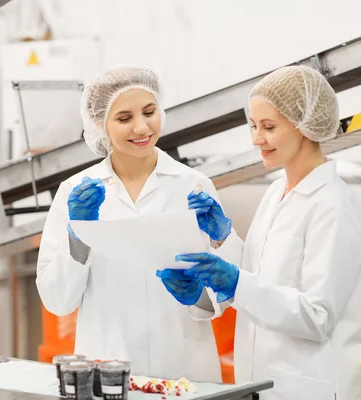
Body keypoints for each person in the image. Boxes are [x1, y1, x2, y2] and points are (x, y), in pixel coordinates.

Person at [160, 66, 361, 399]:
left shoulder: (334, 206)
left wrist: (233, 281)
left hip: (308, 388)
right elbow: (259, 278)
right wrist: (222, 242)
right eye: (254, 126)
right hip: (261, 384)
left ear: (305, 125)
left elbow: (317, 317)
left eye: (269, 127)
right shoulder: (276, 192)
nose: (256, 139)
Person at [36, 64, 242, 383]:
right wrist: (78, 240)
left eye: (150, 112)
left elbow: (229, 289)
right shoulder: (75, 193)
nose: (142, 127)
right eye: (124, 118)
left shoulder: (193, 184)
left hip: (183, 367)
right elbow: (57, 301)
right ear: (99, 122)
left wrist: (200, 293)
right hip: (108, 366)